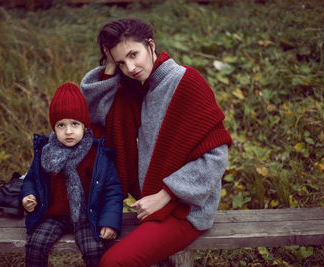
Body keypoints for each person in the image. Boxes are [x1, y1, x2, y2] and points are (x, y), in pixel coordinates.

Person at [80, 18, 232, 266]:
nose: (130, 67)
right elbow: (94, 116)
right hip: (150, 203)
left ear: (151, 45)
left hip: (185, 210)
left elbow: (216, 157)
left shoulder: (186, 82)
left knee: (113, 263)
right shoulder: (135, 89)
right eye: (121, 62)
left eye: (133, 54)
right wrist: (109, 67)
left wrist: (166, 194)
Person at [21, 82, 123, 267]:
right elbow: (31, 179)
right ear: (54, 128)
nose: (68, 131)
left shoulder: (97, 155)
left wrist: (109, 221)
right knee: (35, 245)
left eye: (74, 124)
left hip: (87, 215)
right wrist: (29, 195)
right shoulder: (46, 151)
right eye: (61, 125)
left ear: (85, 125)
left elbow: (112, 190)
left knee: (95, 251)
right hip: (53, 214)